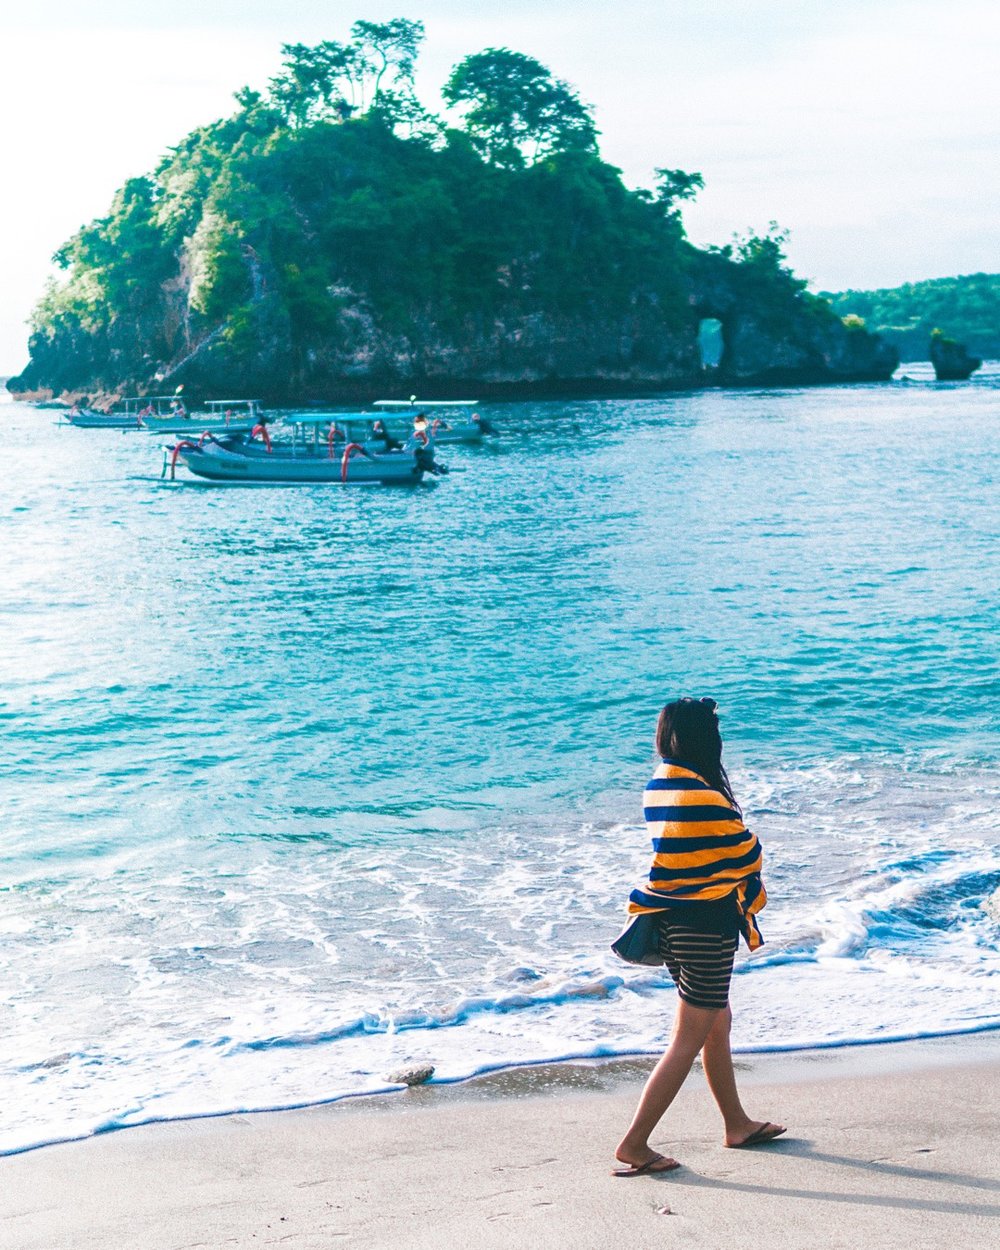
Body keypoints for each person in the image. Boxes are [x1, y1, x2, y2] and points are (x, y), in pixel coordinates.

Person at [611, 697, 784, 1176]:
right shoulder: (702, 795)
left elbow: (694, 853)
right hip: (705, 924)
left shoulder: (660, 783)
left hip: (672, 919)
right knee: (688, 1038)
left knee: (715, 1022)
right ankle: (634, 1143)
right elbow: (746, 854)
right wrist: (748, 842)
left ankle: (736, 1124)